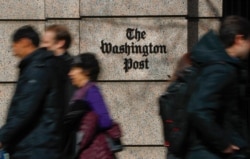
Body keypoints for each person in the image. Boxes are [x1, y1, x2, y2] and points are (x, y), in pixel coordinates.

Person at [185, 15, 250, 159]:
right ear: (239, 39)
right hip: (211, 153)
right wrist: (223, 143)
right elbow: (198, 109)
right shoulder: (221, 69)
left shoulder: (219, 64)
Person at [0, 25, 65, 159]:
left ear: (25, 42)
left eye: (14, 46)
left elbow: (25, 110)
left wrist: (3, 136)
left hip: (34, 148)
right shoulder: (39, 65)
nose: (13, 52)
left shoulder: (37, 69)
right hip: (37, 147)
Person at [66, 53, 121, 159]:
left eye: (74, 69)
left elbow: (105, 120)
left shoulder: (91, 91)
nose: (70, 74)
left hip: (95, 151)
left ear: (86, 71)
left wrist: (87, 127)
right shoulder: (80, 91)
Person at [40, 24, 73, 110]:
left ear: (60, 43)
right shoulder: (43, 64)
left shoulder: (72, 68)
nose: (42, 46)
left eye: (46, 42)